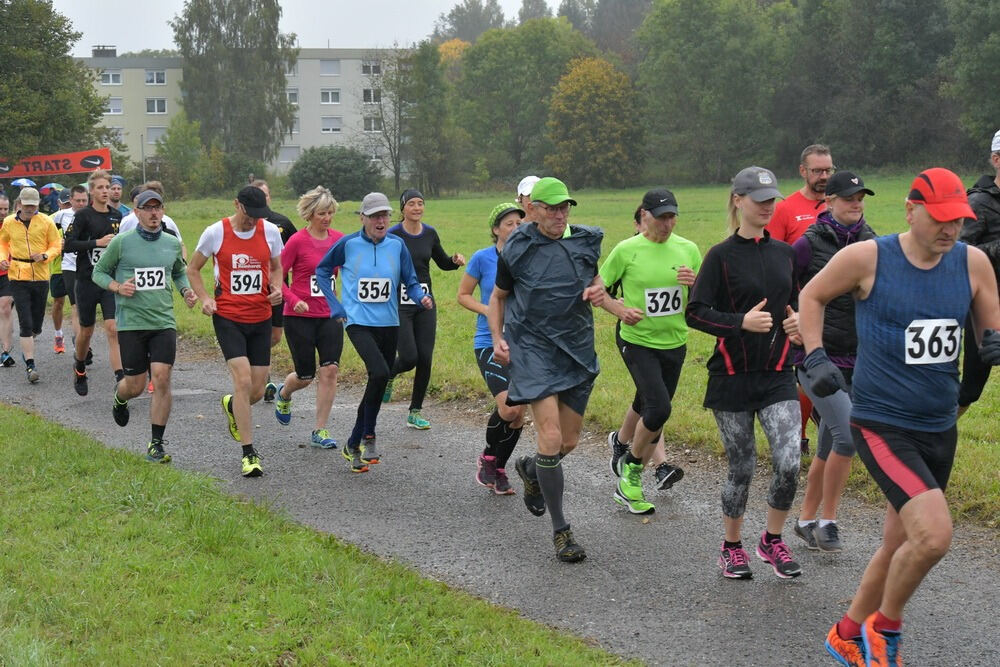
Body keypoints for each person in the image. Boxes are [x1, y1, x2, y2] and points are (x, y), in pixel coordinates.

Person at [801, 168, 1000, 667]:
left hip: (939, 424)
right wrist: (816, 354)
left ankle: (845, 633)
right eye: (941, 219)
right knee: (933, 536)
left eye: (959, 220)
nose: (950, 230)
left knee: (899, 542)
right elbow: (811, 296)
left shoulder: (973, 264)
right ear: (912, 211)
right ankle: (883, 630)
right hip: (881, 423)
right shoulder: (869, 258)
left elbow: (988, 330)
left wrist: (993, 342)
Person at [685, 166, 804, 580]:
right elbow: (695, 313)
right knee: (743, 466)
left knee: (789, 461)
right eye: (758, 200)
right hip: (731, 378)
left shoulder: (786, 254)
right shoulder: (719, 256)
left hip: (777, 373)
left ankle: (771, 540)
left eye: (772, 199)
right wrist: (740, 323)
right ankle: (731, 547)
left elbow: (802, 306)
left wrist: (799, 323)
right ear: (738, 201)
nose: (767, 207)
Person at [488, 177, 605, 563]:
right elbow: (498, 297)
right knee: (551, 436)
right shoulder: (517, 247)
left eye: (565, 207)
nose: (560, 214)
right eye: (552, 208)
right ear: (532, 209)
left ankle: (530, 468)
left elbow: (596, 283)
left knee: (567, 442)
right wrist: (497, 336)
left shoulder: (585, 242)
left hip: (574, 348)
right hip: (532, 349)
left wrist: (608, 299)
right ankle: (561, 531)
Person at [599, 189, 702, 515]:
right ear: (644, 216)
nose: (668, 223)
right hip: (636, 340)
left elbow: (705, 300)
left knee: (649, 405)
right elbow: (597, 292)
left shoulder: (688, 249)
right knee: (659, 408)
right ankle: (631, 472)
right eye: (661, 217)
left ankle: (623, 446)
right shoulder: (626, 250)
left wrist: (695, 283)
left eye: (672, 216)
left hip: (675, 342)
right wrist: (620, 311)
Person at [315, 192, 432, 473]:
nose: (381, 220)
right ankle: (369, 435)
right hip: (358, 322)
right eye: (375, 216)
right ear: (363, 218)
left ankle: (353, 443)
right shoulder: (348, 244)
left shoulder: (397, 245)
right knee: (380, 372)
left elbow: (411, 281)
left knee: (376, 384)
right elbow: (322, 271)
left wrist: (420, 297)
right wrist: (335, 305)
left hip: (389, 323)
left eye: (385, 215)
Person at [791, 171, 877, 555]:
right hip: (815, 356)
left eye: (860, 198)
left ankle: (806, 518)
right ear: (828, 202)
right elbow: (780, 287)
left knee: (828, 443)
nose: (855, 204)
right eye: (847, 198)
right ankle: (829, 519)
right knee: (847, 433)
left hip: (858, 358)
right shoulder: (807, 245)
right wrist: (789, 318)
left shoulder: (873, 243)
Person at [92, 189, 197, 463]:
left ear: (163, 211)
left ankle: (156, 443)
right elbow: (98, 272)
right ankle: (120, 396)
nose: (153, 213)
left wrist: (185, 291)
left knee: (162, 378)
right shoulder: (122, 243)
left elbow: (177, 272)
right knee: (135, 386)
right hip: (132, 324)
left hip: (163, 321)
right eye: (147, 208)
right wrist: (117, 286)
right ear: (136, 212)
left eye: (157, 208)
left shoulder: (171, 243)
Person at [186, 185, 283, 478]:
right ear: (237, 205)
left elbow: (277, 266)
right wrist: (205, 299)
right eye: (250, 214)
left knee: (255, 388)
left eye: (259, 215)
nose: (255, 220)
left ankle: (232, 405)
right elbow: (193, 269)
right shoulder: (215, 232)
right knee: (242, 381)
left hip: (261, 316)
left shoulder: (270, 232)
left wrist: (277, 287)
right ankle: (249, 453)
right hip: (228, 316)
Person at [766, 144, 835, 453]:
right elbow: (771, 257)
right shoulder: (786, 208)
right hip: (798, 305)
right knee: (805, 371)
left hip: (838, 305)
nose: (823, 176)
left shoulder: (839, 203)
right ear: (802, 171)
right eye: (817, 171)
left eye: (828, 170)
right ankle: (800, 434)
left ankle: (825, 428)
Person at [456, 202, 528, 495]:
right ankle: (488, 454)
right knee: (509, 407)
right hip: (490, 342)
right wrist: (489, 309)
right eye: (509, 223)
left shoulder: (529, 258)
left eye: (519, 223)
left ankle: (498, 468)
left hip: (523, 344)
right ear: (496, 229)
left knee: (520, 411)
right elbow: (463, 295)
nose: (515, 228)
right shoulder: (482, 258)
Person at [383, 189, 465, 429]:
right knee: (409, 357)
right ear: (402, 209)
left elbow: (442, 262)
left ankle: (415, 411)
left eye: (421, 203)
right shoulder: (393, 235)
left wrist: (454, 261)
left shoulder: (430, 233)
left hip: (425, 302)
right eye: (412, 204)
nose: (417, 208)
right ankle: (389, 373)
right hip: (400, 302)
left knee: (425, 358)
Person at [272, 186, 344, 449]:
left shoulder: (339, 239)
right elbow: (277, 276)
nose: (326, 218)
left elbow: (353, 269)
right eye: (322, 213)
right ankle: (284, 392)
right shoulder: (297, 241)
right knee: (305, 375)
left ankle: (320, 430)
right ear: (310, 215)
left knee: (330, 370)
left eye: (330, 213)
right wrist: (293, 300)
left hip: (330, 316)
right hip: (299, 317)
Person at [64, 169, 124, 395]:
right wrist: (97, 242)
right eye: (100, 187)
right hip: (87, 281)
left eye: (108, 187)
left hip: (109, 281)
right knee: (86, 332)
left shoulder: (116, 216)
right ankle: (79, 366)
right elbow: (68, 245)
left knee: (113, 328)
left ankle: (121, 378)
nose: (105, 191)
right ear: (91, 191)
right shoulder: (83, 216)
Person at [957, 129, 1000, 416]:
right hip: (986, 305)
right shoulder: (979, 202)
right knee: (972, 386)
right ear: (996, 159)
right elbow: (958, 253)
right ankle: (934, 436)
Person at [0, 187, 61, 383]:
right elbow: (2, 243)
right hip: (18, 276)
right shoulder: (9, 222)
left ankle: (27, 348)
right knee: (25, 323)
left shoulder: (46, 221)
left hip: (41, 276)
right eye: (26, 205)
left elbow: (56, 244)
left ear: (37, 205)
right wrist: (2, 258)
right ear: (20, 204)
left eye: (33, 206)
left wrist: (45, 255)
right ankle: (30, 365)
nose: (29, 209)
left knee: (36, 325)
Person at [255, 179, 298, 403]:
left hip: (278, 289)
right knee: (260, 333)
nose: (263, 199)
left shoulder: (282, 223)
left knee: (274, 336)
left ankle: (259, 363)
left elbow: (300, 248)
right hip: (253, 291)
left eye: (266, 194)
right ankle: (264, 376)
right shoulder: (246, 224)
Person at [48, 189, 73, 354]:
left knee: (79, 304)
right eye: (65, 204)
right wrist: (57, 247)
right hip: (57, 267)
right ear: (58, 204)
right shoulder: (50, 220)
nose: (67, 207)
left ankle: (81, 339)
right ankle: (58, 334)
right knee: (58, 302)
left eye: (70, 204)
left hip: (76, 267)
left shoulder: (80, 217)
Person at [0, 194, 15, 367]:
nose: (3, 212)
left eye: (5, 208)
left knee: (5, 308)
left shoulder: (12, 224)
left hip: (8, 273)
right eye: (0, 209)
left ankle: (5, 352)